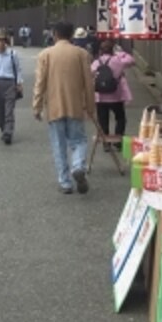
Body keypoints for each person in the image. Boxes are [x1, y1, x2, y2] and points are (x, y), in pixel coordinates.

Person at [33, 22, 97, 195]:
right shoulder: (82, 54)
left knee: (58, 145)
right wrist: (90, 106)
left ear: (54, 34)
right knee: (79, 140)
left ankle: (65, 183)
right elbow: (88, 84)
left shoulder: (45, 55)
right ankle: (78, 166)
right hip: (75, 105)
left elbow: (40, 83)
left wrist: (37, 106)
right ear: (71, 35)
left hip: (54, 107)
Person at [91, 40, 135, 150]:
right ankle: (118, 140)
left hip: (100, 97)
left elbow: (91, 73)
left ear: (101, 50)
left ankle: (106, 143)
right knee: (120, 118)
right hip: (116, 96)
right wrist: (120, 53)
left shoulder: (96, 62)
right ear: (112, 50)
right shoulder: (118, 61)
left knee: (103, 120)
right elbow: (131, 60)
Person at [0, 29, 23, 145]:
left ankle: (8, 132)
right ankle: (3, 127)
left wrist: (19, 82)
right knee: (0, 110)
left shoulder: (12, 54)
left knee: (9, 109)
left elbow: (18, 69)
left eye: (2, 41)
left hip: (10, 82)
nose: (0, 44)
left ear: (5, 42)